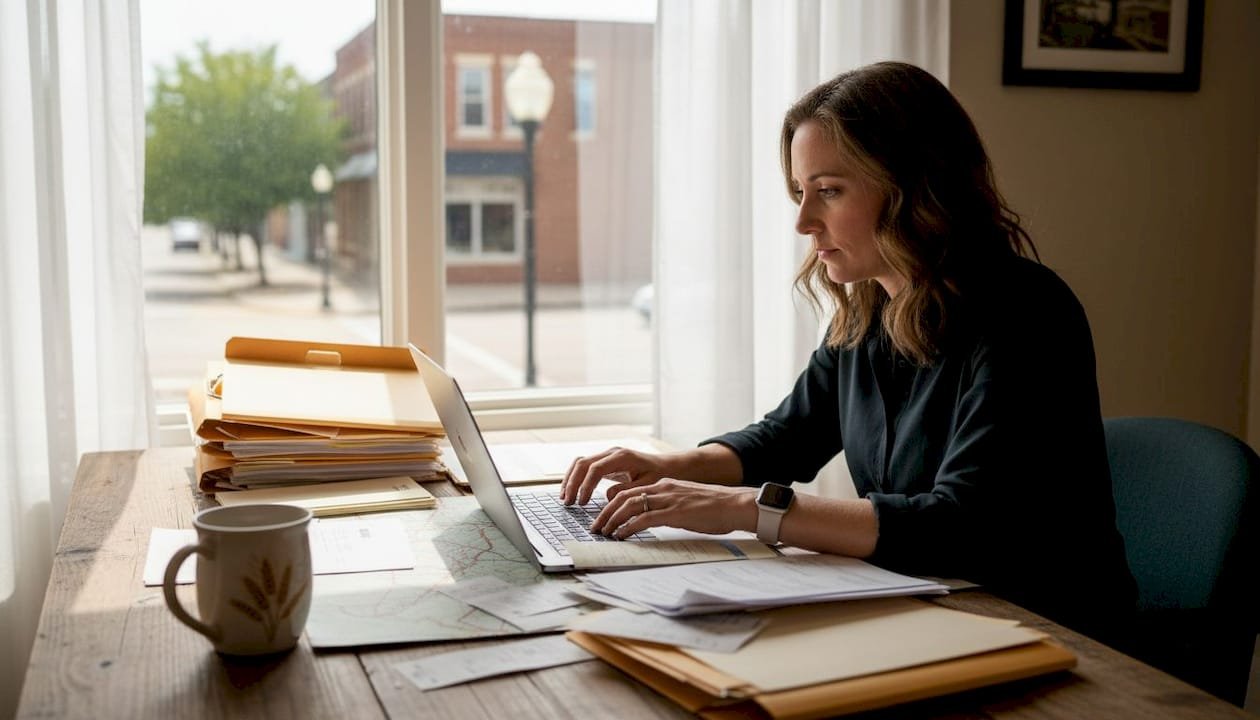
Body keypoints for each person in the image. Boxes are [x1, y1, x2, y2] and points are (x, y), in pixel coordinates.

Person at [559, 61, 1136, 645]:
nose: (805, 222)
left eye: (829, 192)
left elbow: (959, 527)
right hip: (932, 611)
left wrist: (745, 508)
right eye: (800, 193)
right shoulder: (868, 312)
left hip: (1051, 633)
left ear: (914, 186)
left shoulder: (1027, 313)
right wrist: (669, 469)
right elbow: (786, 438)